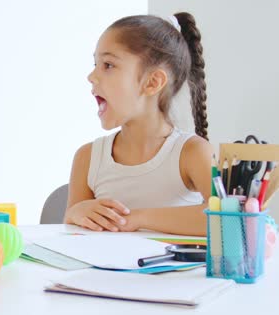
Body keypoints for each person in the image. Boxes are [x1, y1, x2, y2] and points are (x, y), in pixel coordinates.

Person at [64, 13, 214, 236]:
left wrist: (137, 218)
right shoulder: (87, 157)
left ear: (153, 82)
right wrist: (77, 213)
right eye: (95, 64)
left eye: (108, 65)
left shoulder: (191, 152)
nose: (91, 76)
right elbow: (69, 228)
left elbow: (227, 221)